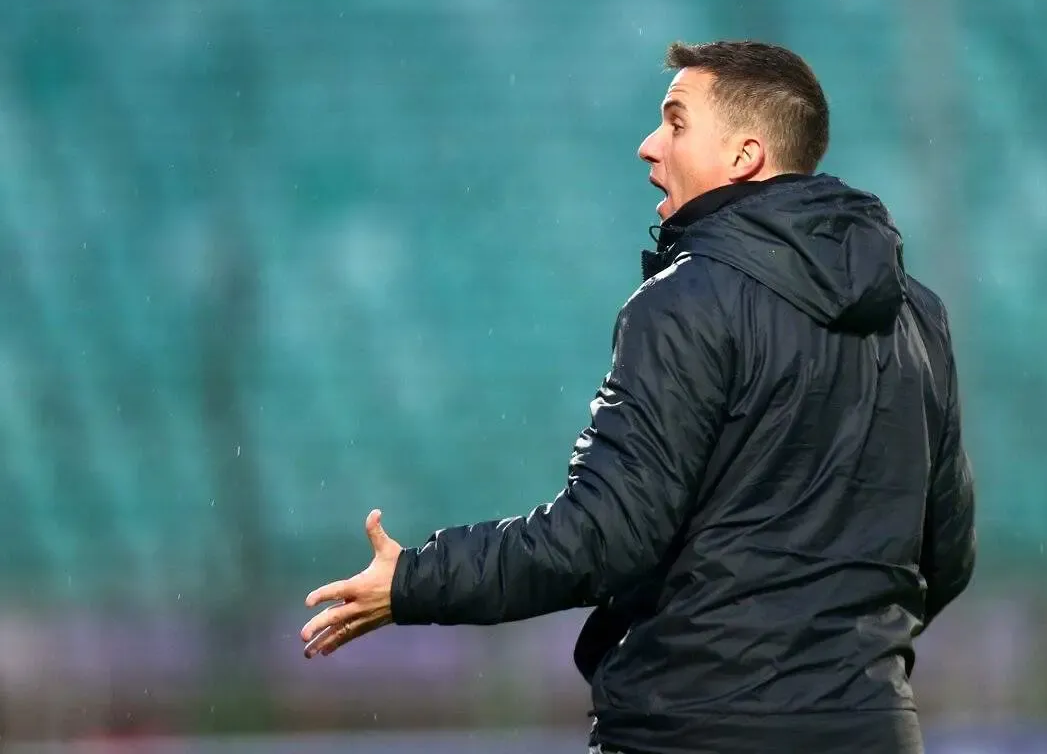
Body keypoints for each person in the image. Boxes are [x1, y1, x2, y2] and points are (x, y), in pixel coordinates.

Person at [300, 39, 976, 754]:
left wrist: (415, 580)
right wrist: (840, 665)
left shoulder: (687, 301)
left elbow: (604, 534)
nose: (649, 145)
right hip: (873, 730)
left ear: (745, 156)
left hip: (698, 731)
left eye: (676, 121)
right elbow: (947, 553)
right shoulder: (918, 316)